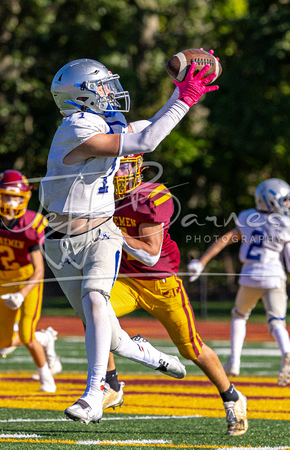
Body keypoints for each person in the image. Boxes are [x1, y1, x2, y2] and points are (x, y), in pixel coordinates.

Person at [39, 56, 219, 425]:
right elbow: (146, 140)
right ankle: (148, 354)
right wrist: (185, 98)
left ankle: (95, 393)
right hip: (59, 241)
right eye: (102, 86)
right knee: (107, 330)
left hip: (102, 232)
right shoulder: (74, 129)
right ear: (82, 94)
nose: (111, 91)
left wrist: (182, 95)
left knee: (94, 299)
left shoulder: (98, 122)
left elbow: (149, 127)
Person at [100, 154, 248, 436]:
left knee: (190, 348)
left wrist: (113, 231)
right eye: (114, 165)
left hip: (162, 285)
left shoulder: (151, 197)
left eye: (125, 165)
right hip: (127, 282)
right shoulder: (101, 194)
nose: (118, 172)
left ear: (138, 168)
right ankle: (112, 385)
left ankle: (231, 396)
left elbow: (150, 254)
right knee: (92, 308)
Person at [188, 178, 290, 387]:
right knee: (276, 321)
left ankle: (234, 361)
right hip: (273, 276)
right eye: (285, 200)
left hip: (249, 275)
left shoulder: (247, 217)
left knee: (240, 316)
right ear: (273, 200)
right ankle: (287, 352)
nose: (287, 204)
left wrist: (201, 262)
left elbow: (225, 239)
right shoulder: (285, 224)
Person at [0, 170, 61, 392]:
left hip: (27, 280)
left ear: (25, 198)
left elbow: (39, 270)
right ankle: (46, 337)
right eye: (7, 196)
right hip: (2, 279)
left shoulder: (30, 224)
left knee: (25, 333)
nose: (11, 202)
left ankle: (46, 377)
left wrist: (21, 295)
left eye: (16, 197)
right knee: (2, 343)